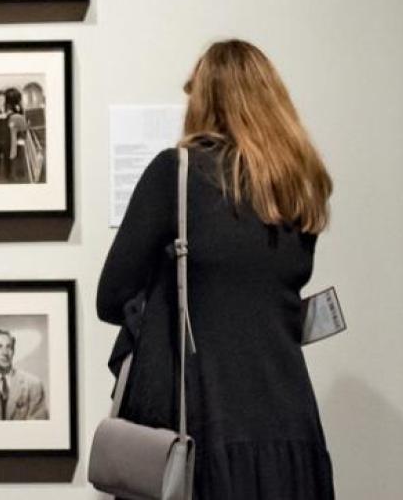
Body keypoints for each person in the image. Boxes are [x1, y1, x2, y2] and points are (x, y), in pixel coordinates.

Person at [98, 39, 336, 499]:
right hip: (291, 431)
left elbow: (111, 298)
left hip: (205, 425)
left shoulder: (177, 173)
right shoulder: (296, 190)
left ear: (203, 100)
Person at [0, 87, 25, 183]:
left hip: (7, 138)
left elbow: (18, 114)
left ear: (5, 99)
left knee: (8, 158)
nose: (1, 101)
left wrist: (19, 110)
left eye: (3, 99)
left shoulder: (9, 108)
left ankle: (8, 175)